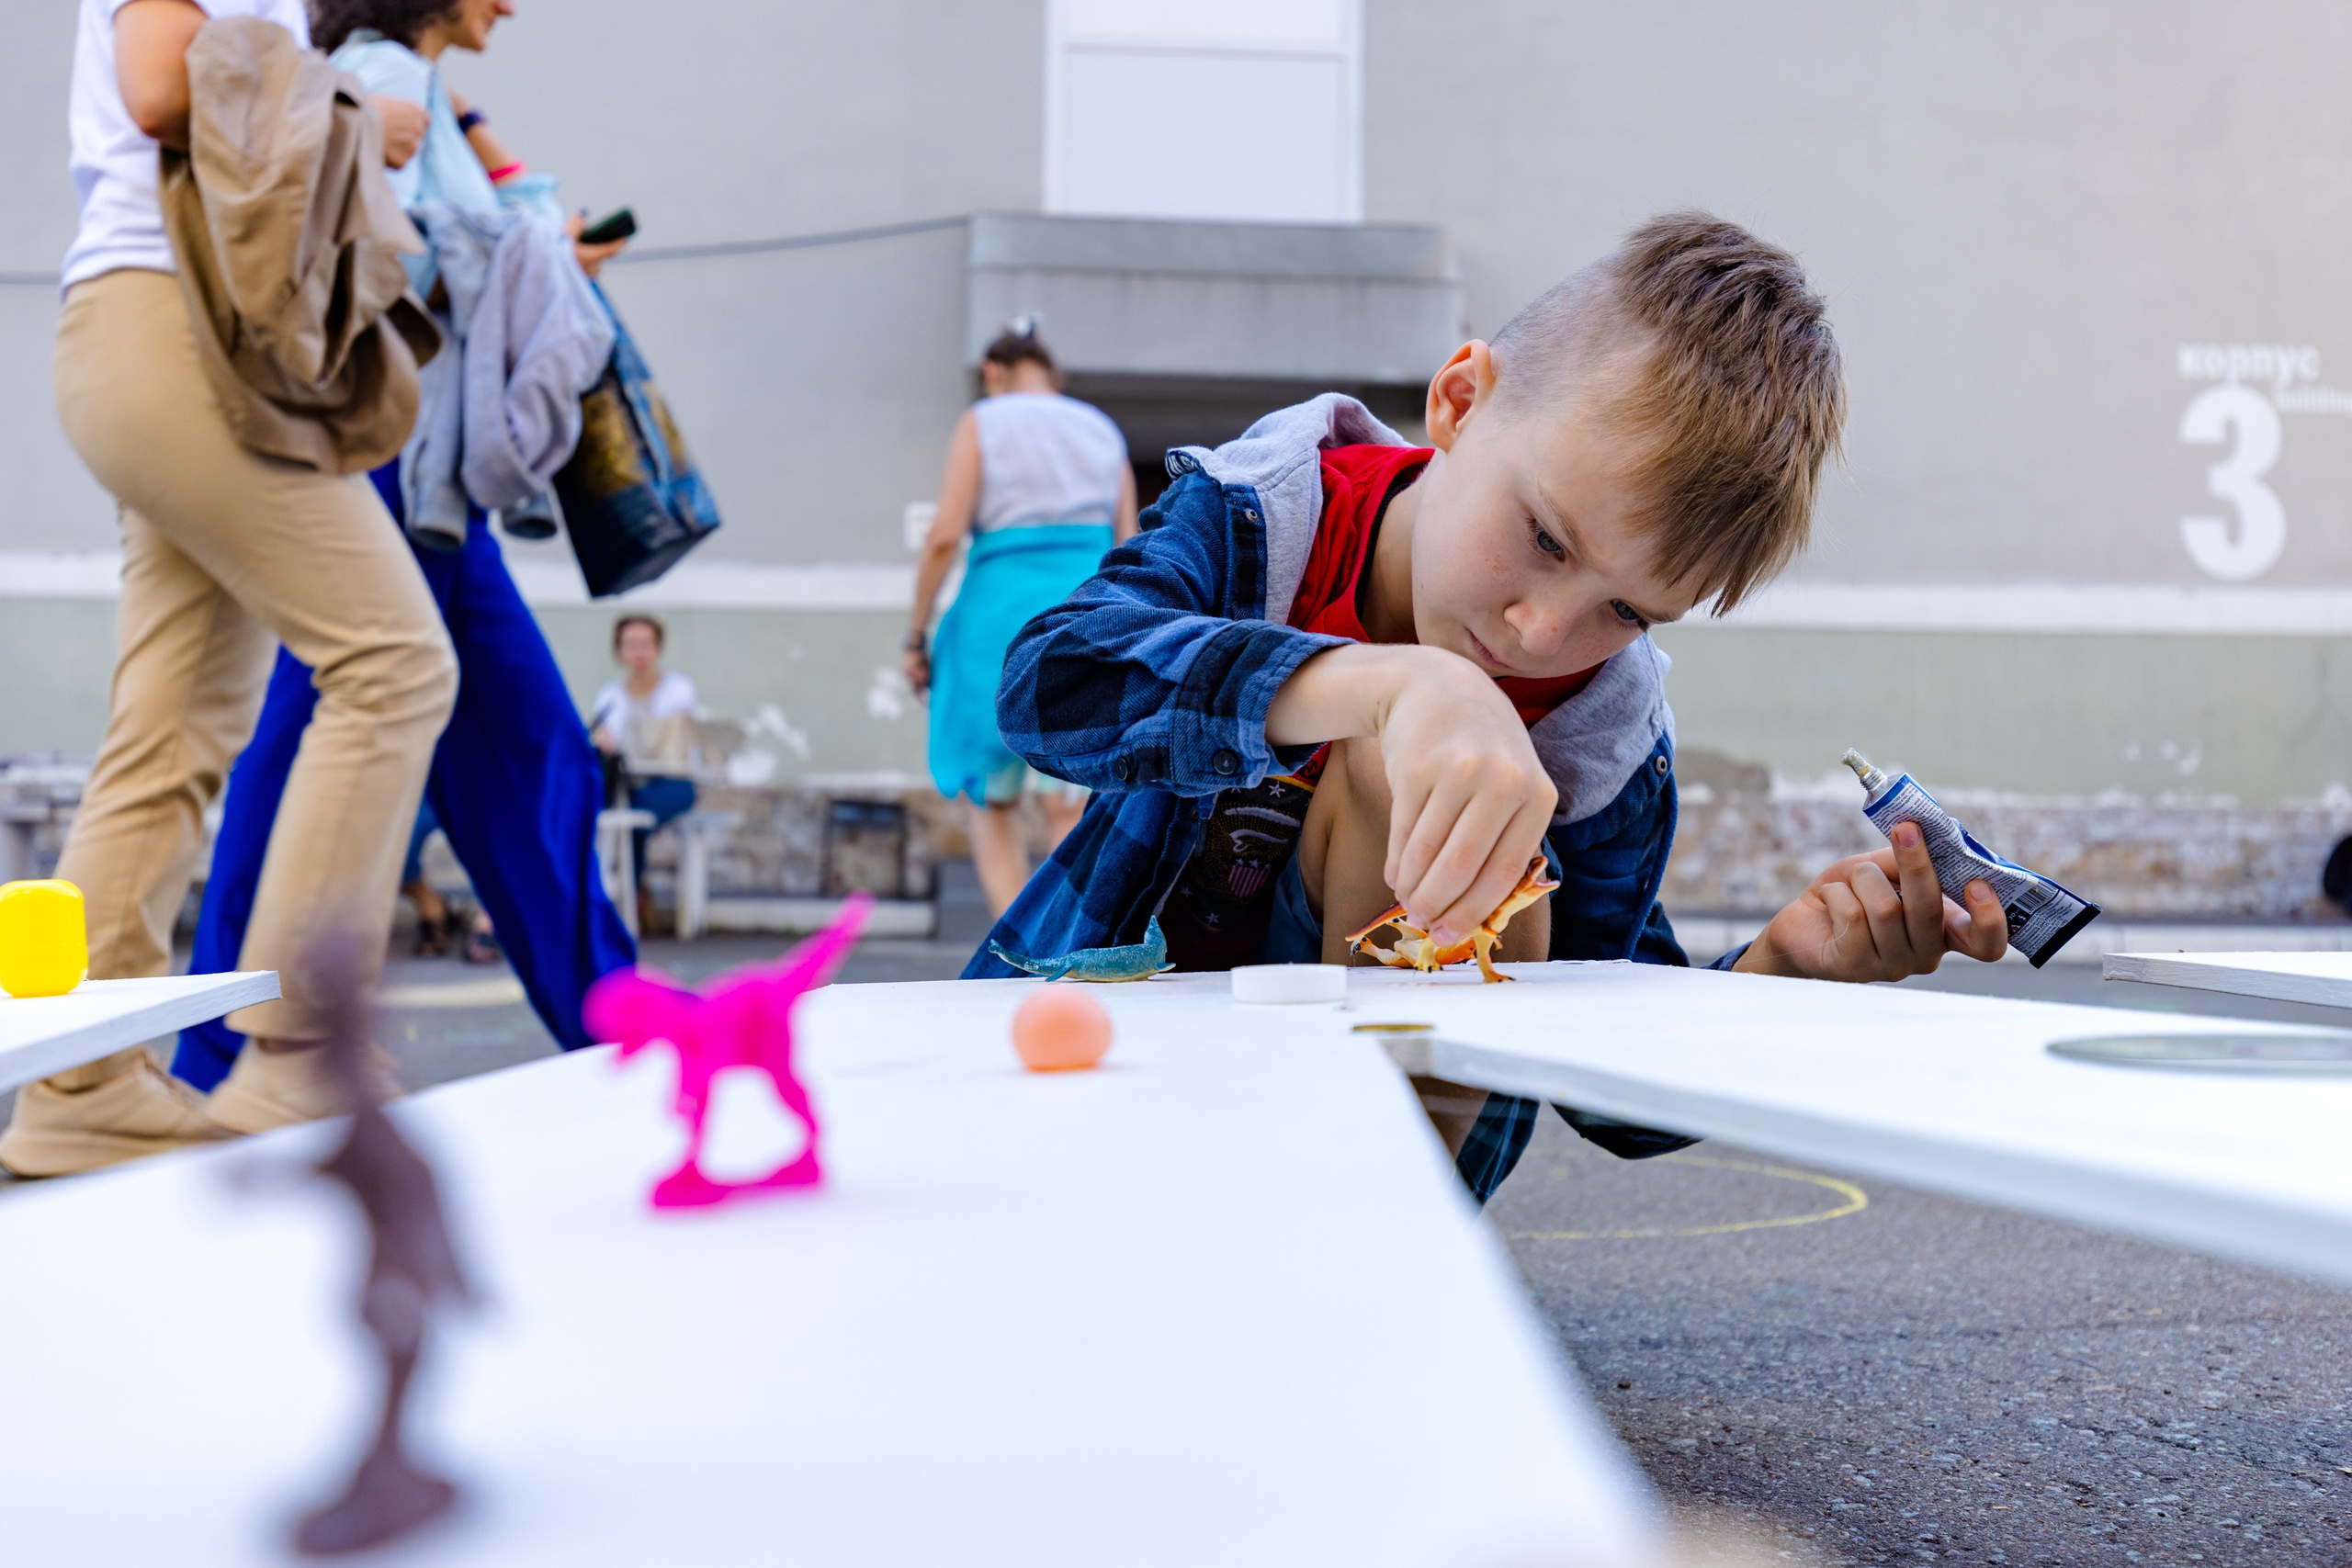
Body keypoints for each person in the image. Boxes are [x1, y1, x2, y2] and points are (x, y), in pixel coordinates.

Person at [975, 214, 2014, 1202]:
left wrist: (1782, 971)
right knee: (1402, 751)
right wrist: (1394, 686)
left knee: (1453, 795)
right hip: (1120, 1076)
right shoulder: (1264, 516)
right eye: (1547, 539)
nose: (1540, 632)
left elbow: (1614, 1097)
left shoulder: (1607, 727)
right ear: (1461, 402)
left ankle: (1373, 1252)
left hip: (1348, 1174)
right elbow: (1048, 685)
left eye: (1625, 611)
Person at [0, 0, 458, 1178]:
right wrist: (353, 116)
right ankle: (300, 1058)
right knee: (394, 662)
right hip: (172, 329)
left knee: (171, 730)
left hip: (166, 332)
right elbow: (160, 86)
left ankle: (80, 1086)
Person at [175, 0, 632, 1092]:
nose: (510, 6)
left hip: (430, 484)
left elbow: (511, 221)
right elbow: (393, 260)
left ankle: (615, 1021)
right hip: (388, 460)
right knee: (329, 739)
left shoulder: (416, 89)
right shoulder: (380, 81)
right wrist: (538, 254)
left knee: (527, 744)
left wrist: (475, 129)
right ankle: (219, 1050)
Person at [904, 323, 1139, 915]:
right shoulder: (1101, 429)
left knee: (991, 796)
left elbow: (944, 535)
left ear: (993, 371)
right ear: (1050, 372)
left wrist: (915, 633)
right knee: (1068, 795)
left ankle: (1011, 944)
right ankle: (1068, 940)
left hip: (995, 620)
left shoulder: (984, 421)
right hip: (1085, 613)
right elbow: (1128, 543)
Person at [590, 615, 698, 924]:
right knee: (622, 816)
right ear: (618, 651)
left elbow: (675, 747)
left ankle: (628, 896)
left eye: (646, 644)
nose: (639, 652)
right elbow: (608, 744)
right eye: (631, 644)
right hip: (627, 785)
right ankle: (627, 897)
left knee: (632, 819)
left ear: (658, 649)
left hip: (673, 781)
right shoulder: (610, 696)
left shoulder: (678, 689)